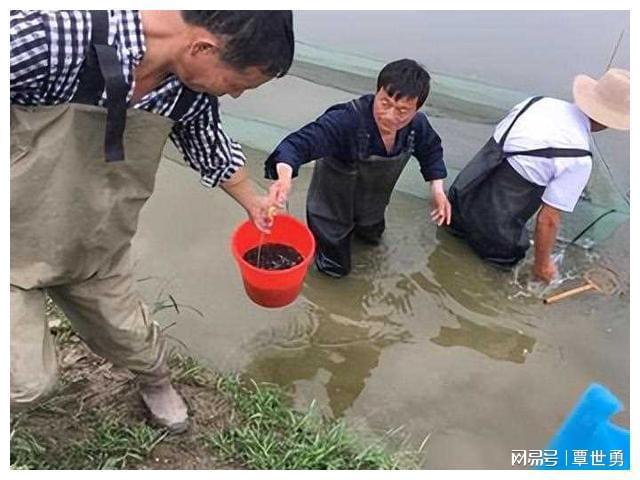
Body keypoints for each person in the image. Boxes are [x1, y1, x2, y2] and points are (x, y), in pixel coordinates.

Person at [10, 10, 294, 433]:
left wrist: (254, 202)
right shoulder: (51, 38)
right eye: (237, 84)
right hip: (12, 244)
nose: (234, 96)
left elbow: (208, 145)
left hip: (96, 246)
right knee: (26, 383)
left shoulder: (188, 89)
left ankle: (155, 382)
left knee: (136, 340)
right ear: (203, 48)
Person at [265, 59, 450, 278]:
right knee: (335, 269)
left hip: (372, 207)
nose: (390, 116)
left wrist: (437, 191)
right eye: (385, 103)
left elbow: (431, 151)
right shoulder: (346, 121)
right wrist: (284, 177)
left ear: (416, 109)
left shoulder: (417, 127)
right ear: (377, 92)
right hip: (330, 210)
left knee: (371, 244)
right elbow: (298, 145)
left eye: (402, 111)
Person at [446, 68, 630, 283]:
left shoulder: (536, 102)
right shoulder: (579, 157)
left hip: (458, 201)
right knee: (492, 282)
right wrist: (542, 266)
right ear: (612, 121)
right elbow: (548, 220)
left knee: (450, 253)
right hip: (494, 235)